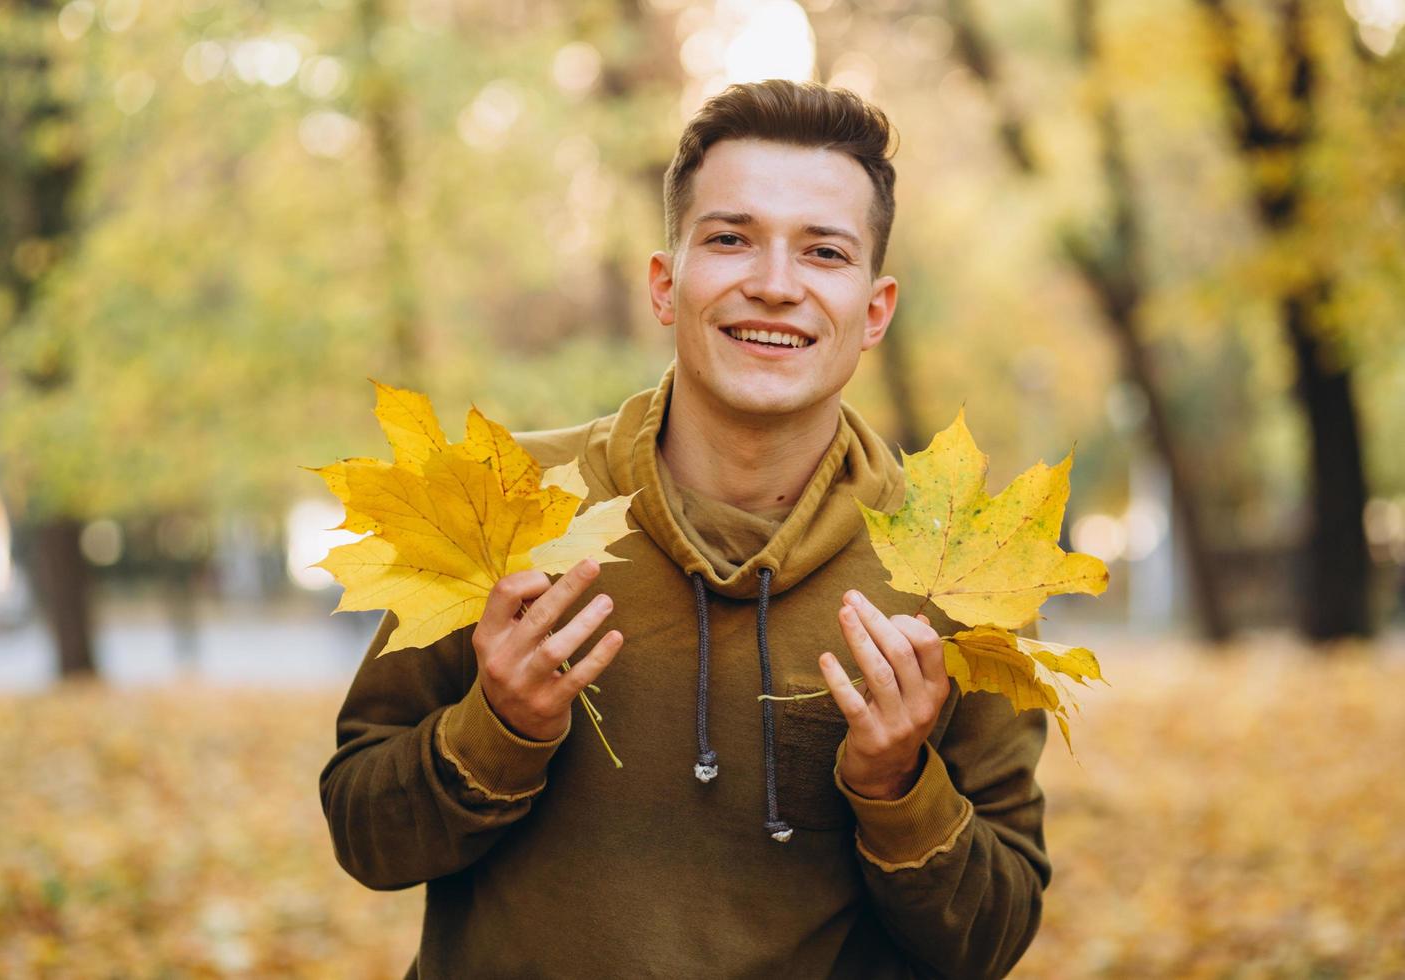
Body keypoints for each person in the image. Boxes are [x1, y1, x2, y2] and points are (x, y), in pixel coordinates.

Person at [320, 79, 1050, 978]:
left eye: (823, 252)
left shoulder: (964, 573)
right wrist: (497, 727)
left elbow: (992, 938)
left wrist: (897, 787)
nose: (774, 285)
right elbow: (366, 837)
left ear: (875, 309)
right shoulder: (503, 506)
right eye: (731, 239)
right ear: (667, 285)